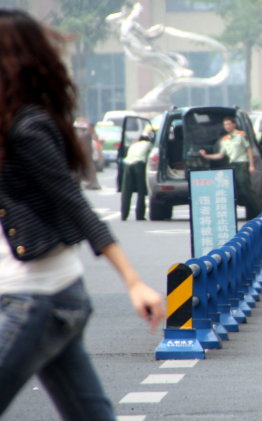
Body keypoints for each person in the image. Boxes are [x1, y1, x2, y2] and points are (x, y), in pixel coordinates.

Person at [0, 10, 164, 420]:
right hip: (49, 294)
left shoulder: (28, 128)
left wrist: (133, 282)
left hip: (36, 296)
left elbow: (74, 204)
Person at [199, 116, 262, 219]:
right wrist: (206, 156)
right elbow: (220, 155)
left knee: (246, 189)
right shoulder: (225, 139)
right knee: (231, 190)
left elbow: (249, 149)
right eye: (225, 125)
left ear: (234, 125)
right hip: (231, 166)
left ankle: (260, 211)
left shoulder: (241, 135)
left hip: (242, 164)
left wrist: (251, 165)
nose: (227, 126)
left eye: (229, 124)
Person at [121, 135, 152, 221]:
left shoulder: (133, 145)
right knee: (141, 191)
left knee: (126, 191)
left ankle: (124, 215)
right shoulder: (149, 144)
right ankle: (139, 215)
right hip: (139, 164)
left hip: (127, 164)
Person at [73, 117, 101, 190]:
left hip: (86, 153)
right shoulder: (85, 134)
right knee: (81, 168)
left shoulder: (87, 134)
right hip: (83, 153)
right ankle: (86, 183)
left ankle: (92, 183)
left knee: (87, 167)